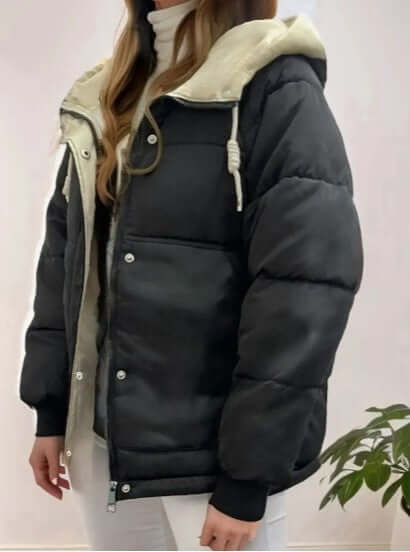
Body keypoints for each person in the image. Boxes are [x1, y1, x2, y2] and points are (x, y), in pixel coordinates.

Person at [19, 0, 364, 550]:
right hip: (104, 445)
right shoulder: (109, 93)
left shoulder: (273, 85)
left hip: (214, 458)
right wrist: (52, 409)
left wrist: (248, 476)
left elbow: (304, 291)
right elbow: (65, 262)